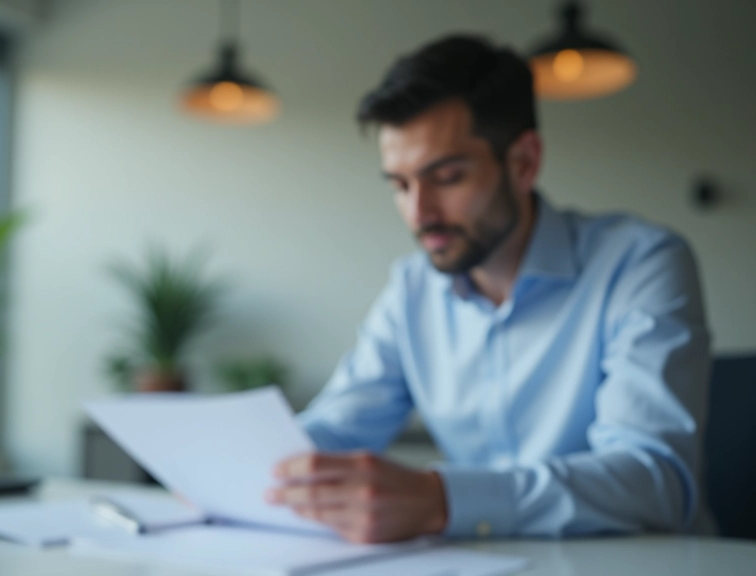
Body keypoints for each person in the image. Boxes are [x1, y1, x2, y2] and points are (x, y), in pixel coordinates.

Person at [264, 35, 712, 543]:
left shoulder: (641, 264)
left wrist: (444, 500)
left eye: (447, 177)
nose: (419, 214)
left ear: (524, 162)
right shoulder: (412, 288)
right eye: (400, 185)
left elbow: (654, 483)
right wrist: (255, 468)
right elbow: (338, 425)